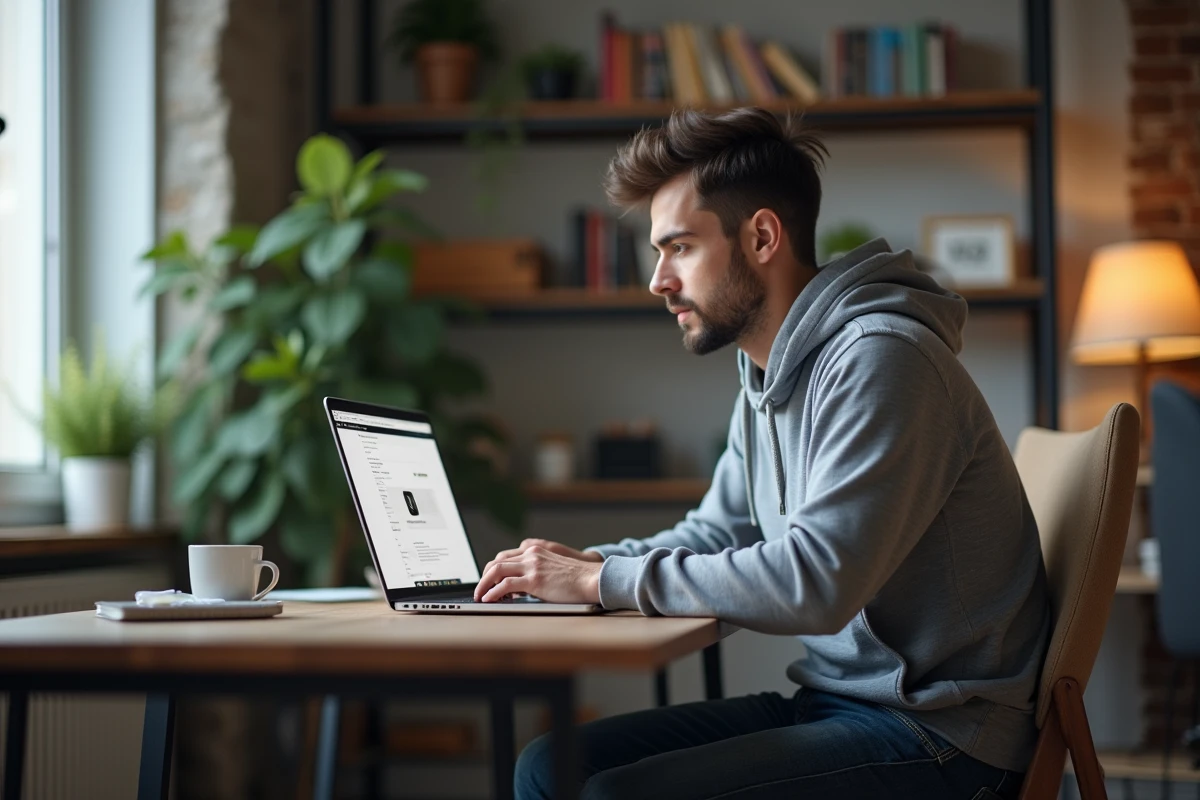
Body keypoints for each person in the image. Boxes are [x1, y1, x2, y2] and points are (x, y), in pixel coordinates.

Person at [473, 107, 1050, 800]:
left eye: (679, 247)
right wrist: (588, 564)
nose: (658, 279)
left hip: (941, 735)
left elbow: (817, 583)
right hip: (843, 703)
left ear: (763, 236)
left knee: (614, 795)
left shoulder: (881, 360)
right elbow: (719, 530)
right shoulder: (768, 372)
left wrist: (603, 586)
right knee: (549, 765)